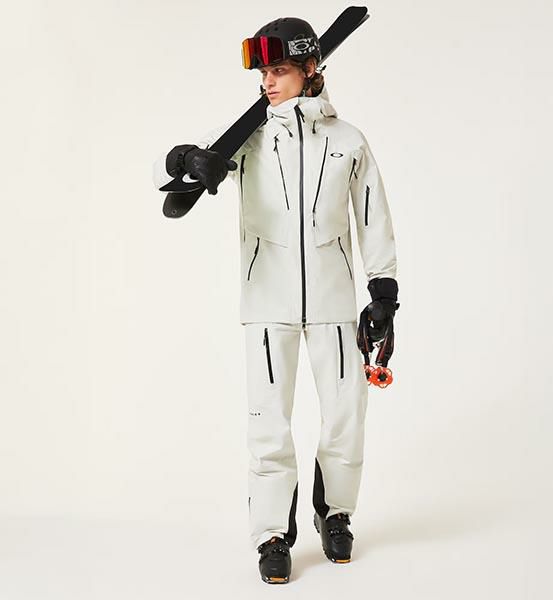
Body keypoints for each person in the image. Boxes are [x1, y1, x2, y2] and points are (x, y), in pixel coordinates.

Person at [152, 16, 399, 584]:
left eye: (279, 70)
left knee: (346, 415)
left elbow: (373, 217)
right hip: (267, 302)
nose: (267, 81)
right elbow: (182, 160)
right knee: (268, 422)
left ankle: (335, 515)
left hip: (335, 303)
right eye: (263, 72)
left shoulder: (349, 141)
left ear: (311, 68)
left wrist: (383, 292)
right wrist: (191, 161)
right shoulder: (250, 137)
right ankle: (270, 535)